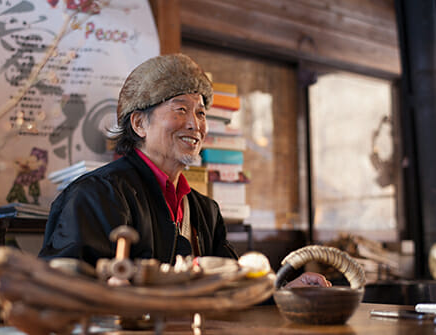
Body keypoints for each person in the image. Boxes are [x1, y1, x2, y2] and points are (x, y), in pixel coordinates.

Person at [39, 54, 330, 288]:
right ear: (139, 123)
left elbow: (233, 285)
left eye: (201, 112)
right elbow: (60, 288)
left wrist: (285, 289)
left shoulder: (206, 211)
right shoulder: (96, 194)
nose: (195, 124)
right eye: (180, 109)